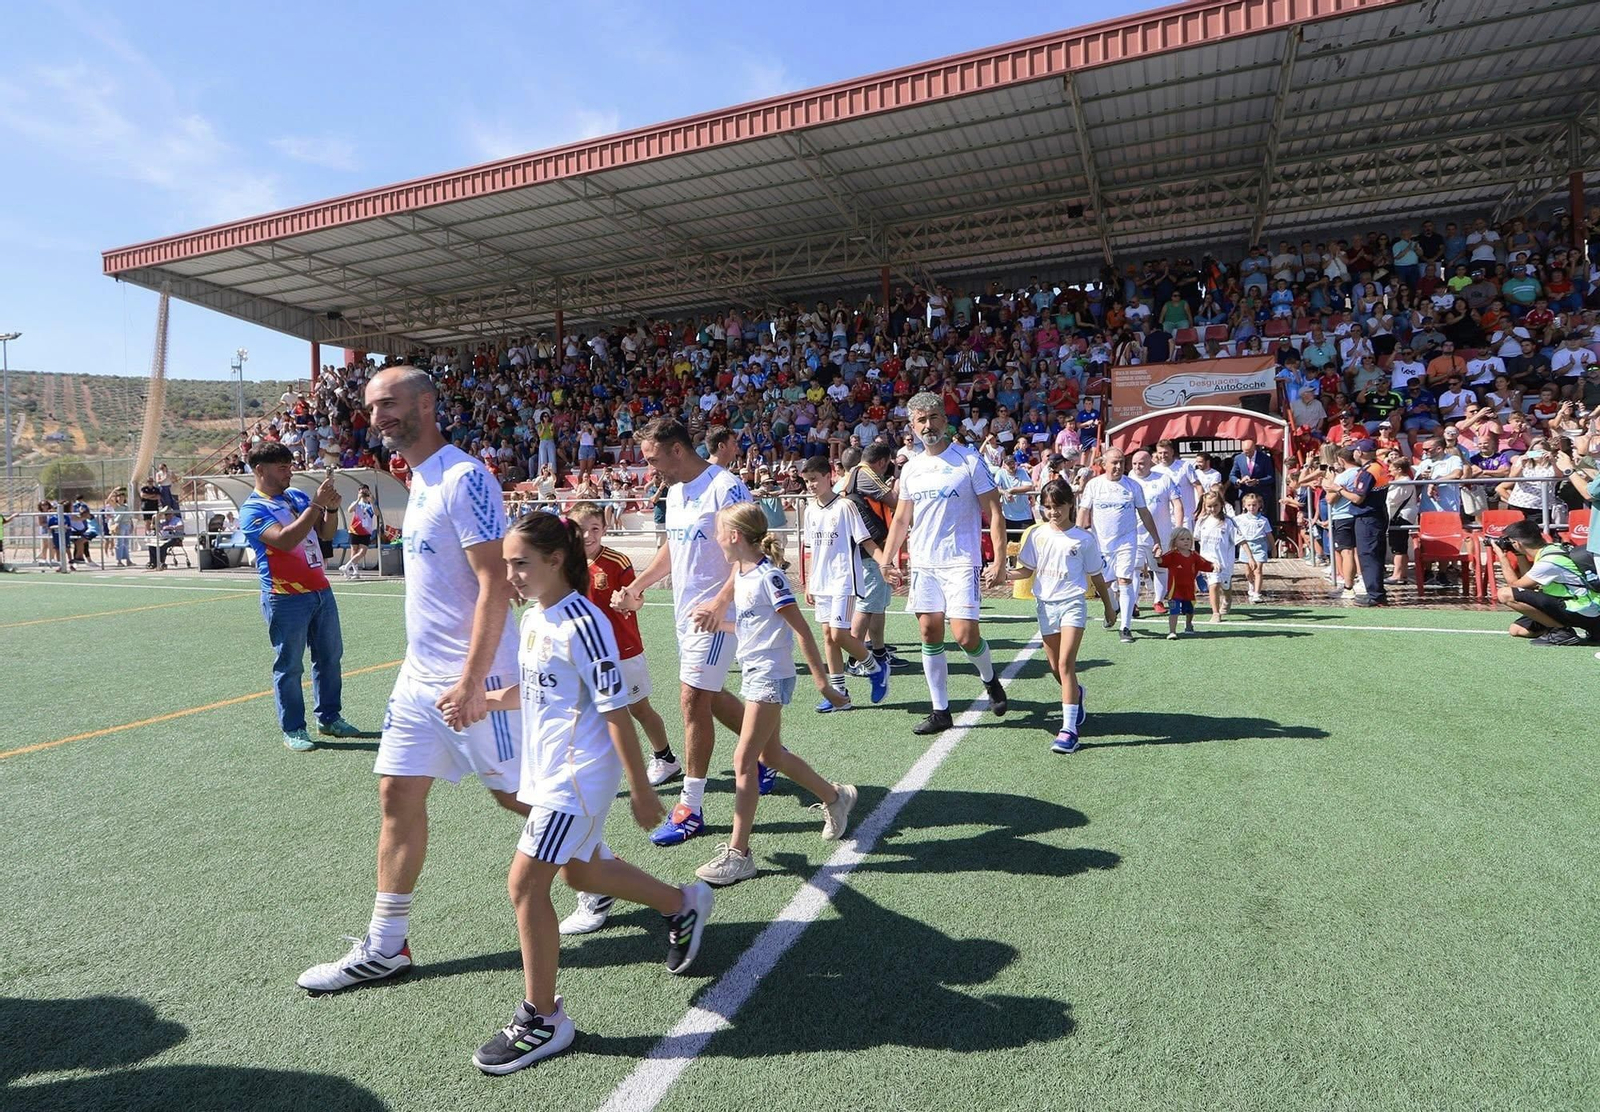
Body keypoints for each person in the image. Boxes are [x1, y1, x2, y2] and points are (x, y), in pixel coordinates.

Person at [298, 366, 524, 993]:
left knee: (520, 800)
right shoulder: (416, 481)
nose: (378, 417)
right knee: (396, 794)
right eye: (372, 408)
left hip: (478, 676)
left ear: (427, 404)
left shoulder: (465, 476)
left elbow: (494, 583)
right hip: (420, 678)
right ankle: (387, 945)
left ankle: (629, 888)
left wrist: (475, 680)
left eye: (390, 404)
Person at [465, 513, 713, 1075]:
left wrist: (642, 789)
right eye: (508, 563)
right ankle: (683, 904)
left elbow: (617, 712)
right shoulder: (535, 616)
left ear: (555, 561)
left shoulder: (585, 623)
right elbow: (539, 691)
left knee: (525, 885)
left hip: (577, 776)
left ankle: (543, 1018)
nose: (512, 574)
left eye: (521, 563)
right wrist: (487, 699)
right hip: (551, 769)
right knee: (580, 873)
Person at [693, 504, 856, 886]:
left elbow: (801, 630)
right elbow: (756, 624)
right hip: (755, 672)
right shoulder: (743, 572)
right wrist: (719, 621)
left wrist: (823, 683)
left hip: (770, 675)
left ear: (734, 536)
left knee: (744, 760)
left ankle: (739, 854)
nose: (716, 539)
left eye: (719, 532)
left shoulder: (770, 578)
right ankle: (835, 796)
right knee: (771, 755)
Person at [612, 418, 753, 847]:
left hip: (716, 617)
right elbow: (673, 548)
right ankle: (764, 752)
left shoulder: (724, 486)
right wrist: (637, 585)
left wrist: (722, 601)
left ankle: (690, 808)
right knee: (706, 696)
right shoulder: (674, 493)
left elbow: (749, 551)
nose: (650, 468)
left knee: (692, 699)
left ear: (677, 450)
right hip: (685, 616)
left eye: (654, 459)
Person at [878, 392, 1011, 736]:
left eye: (934, 417)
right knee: (928, 632)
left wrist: (999, 561)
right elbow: (902, 519)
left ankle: (989, 679)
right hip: (924, 564)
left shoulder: (967, 460)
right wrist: (888, 558)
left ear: (945, 419)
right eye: (921, 420)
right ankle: (940, 711)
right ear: (912, 426)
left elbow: (994, 512)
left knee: (965, 635)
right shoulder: (911, 469)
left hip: (960, 562)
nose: (928, 425)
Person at [238, 443, 359, 750]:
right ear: (260, 470)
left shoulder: (298, 497)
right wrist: (317, 506)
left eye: (290, 466)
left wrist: (330, 508)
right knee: (290, 666)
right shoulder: (253, 509)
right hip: (284, 596)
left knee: (330, 658)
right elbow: (285, 539)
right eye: (282, 467)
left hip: (320, 590)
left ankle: (330, 718)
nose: (289, 472)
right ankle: (294, 728)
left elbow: (327, 534)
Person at [1009, 479, 1114, 753]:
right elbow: (1025, 570)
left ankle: (1069, 731)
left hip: (1072, 605)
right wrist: (1001, 575)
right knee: (1056, 668)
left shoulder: (1084, 538)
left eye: (1058, 506)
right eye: (1047, 507)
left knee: (1066, 664)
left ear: (1070, 504)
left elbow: (1097, 576)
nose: (1053, 512)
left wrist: (1108, 605)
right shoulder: (1036, 535)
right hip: (1045, 606)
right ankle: (1077, 695)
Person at [799, 456, 890, 710]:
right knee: (828, 636)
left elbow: (867, 542)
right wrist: (807, 583)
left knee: (840, 634)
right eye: (807, 481)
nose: (811, 485)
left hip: (843, 579)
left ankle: (875, 668)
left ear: (829, 477)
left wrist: (885, 565)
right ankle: (839, 695)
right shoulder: (810, 510)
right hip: (822, 581)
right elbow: (811, 550)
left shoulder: (846, 506)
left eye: (814, 480)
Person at [1079, 447, 1162, 644]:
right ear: (1104, 464)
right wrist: (1077, 536)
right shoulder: (1094, 486)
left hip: (1127, 541)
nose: (1118, 466)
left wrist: (1156, 539)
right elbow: (1083, 511)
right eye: (1114, 462)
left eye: (1121, 463)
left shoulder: (1133, 486)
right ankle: (1113, 606)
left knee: (1125, 580)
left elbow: (1144, 513)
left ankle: (1125, 627)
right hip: (1101, 544)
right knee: (1103, 584)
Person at [839, 443, 903, 676]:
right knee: (866, 608)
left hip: (876, 550)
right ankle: (856, 660)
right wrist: (897, 481)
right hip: (870, 552)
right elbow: (895, 501)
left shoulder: (857, 474)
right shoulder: (865, 474)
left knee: (876, 606)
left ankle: (878, 652)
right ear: (882, 462)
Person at [1492, 519, 1600, 645]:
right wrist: (1519, 554)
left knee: (1505, 594)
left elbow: (1514, 586)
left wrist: (1502, 557)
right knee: (1517, 630)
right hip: (1583, 608)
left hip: (1584, 610)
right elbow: (1528, 581)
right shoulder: (1552, 549)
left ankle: (1561, 632)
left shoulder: (1549, 562)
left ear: (1516, 543)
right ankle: (1559, 628)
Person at [1129, 450, 1179, 613]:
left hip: (1161, 533)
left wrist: (1178, 528)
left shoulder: (1163, 479)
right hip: (1135, 533)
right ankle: (1133, 603)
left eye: (1141, 463)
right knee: (1134, 569)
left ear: (1150, 462)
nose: (1137, 467)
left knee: (1160, 568)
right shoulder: (1128, 479)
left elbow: (1177, 504)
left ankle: (1158, 601)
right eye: (1135, 463)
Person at [1156, 527, 1211, 638]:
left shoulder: (1193, 555)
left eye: (1188, 539)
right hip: (1174, 590)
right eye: (1182, 539)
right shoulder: (1172, 555)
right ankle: (1172, 631)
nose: (1186, 541)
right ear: (1175, 541)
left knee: (1190, 610)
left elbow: (1204, 564)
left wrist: (1214, 566)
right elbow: (1162, 561)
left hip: (1189, 589)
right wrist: (1157, 556)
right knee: (1174, 611)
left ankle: (1189, 624)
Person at [1193, 487, 1238, 620]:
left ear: (1221, 505)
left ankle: (1228, 598)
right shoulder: (1202, 521)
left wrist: (1250, 557)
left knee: (1225, 585)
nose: (1213, 509)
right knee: (1214, 584)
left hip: (1225, 560)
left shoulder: (1228, 522)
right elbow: (1195, 539)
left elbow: (1240, 540)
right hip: (1209, 561)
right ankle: (1215, 613)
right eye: (1209, 506)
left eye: (1215, 505)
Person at [1235, 492, 1273, 603]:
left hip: (1259, 545)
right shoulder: (1239, 519)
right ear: (1245, 506)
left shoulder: (1263, 520)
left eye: (1254, 505)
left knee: (1258, 570)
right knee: (1248, 571)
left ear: (1259, 505)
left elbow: (1269, 534)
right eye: (1249, 505)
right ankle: (1251, 584)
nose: (1252, 507)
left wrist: (1273, 548)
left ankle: (1257, 593)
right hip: (1246, 546)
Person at [1228, 438, 1277, 519]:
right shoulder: (1239, 458)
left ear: (1254, 448)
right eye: (1245, 452)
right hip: (1245, 494)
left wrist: (1257, 481)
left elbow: (1271, 477)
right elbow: (1232, 475)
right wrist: (1239, 481)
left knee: (1262, 517)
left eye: (1249, 452)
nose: (1247, 454)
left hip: (1261, 494)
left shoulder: (1265, 458)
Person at [343, 485, 376, 579]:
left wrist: (372, 501)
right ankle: (355, 571)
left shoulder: (371, 504)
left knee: (362, 552)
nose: (364, 494)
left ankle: (346, 566)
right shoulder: (356, 503)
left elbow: (377, 513)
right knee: (354, 550)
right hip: (355, 530)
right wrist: (358, 499)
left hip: (366, 531)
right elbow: (349, 510)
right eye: (362, 492)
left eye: (366, 492)